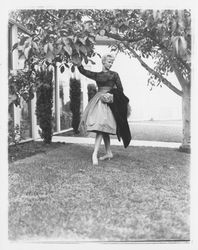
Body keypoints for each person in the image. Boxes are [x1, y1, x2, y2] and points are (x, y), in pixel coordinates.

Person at [74, 53, 128, 165]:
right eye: (109, 61)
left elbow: (121, 90)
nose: (111, 64)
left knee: (102, 128)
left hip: (109, 103)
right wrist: (79, 64)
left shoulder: (114, 75)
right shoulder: (97, 75)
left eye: (112, 62)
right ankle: (108, 153)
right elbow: (84, 72)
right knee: (101, 127)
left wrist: (111, 95)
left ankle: (95, 153)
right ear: (103, 62)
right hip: (98, 102)